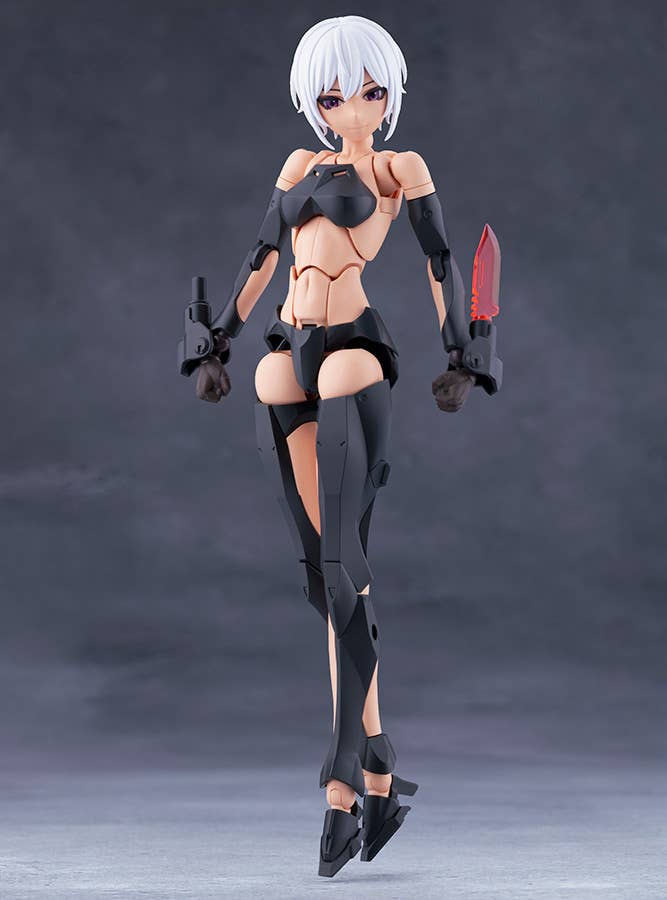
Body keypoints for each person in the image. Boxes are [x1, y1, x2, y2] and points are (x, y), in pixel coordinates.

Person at [178, 14, 502, 877]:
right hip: (282, 350)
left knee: (341, 563)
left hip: (353, 349)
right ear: (311, 101)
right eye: (330, 95)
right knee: (324, 579)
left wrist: (462, 355)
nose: (350, 108)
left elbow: (440, 262)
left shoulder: (398, 169)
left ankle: (341, 782)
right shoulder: (296, 166)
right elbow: (261, 255)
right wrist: (216, 343)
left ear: (388, 95)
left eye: (366, 91)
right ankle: (382, 764)